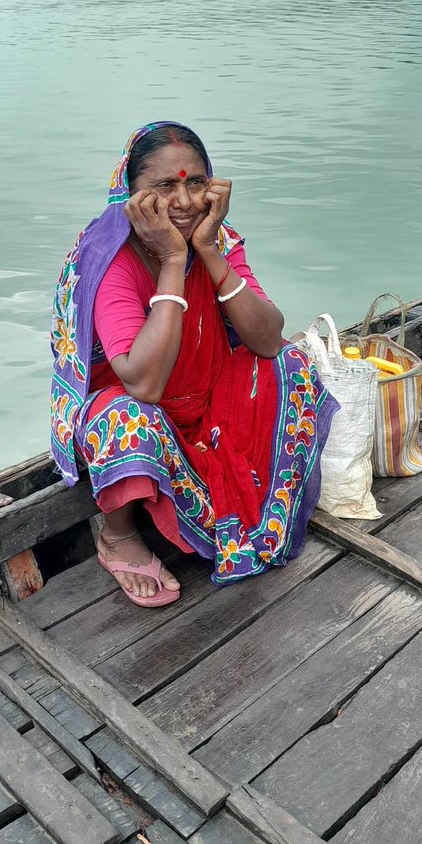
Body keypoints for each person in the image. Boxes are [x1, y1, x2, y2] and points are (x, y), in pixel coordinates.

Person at [50, 121, 338, 607]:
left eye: (196, 182)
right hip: (138, 409)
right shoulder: (109, 258)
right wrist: (170, 260)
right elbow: (142, 382)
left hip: (207, 402)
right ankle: (117, 535)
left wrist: (204, 249)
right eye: (164, 186)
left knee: (289, 363)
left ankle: (248, 501)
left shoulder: (217, 238)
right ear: (130, 194)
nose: (184, 201)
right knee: (125, 418)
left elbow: (267, 339)